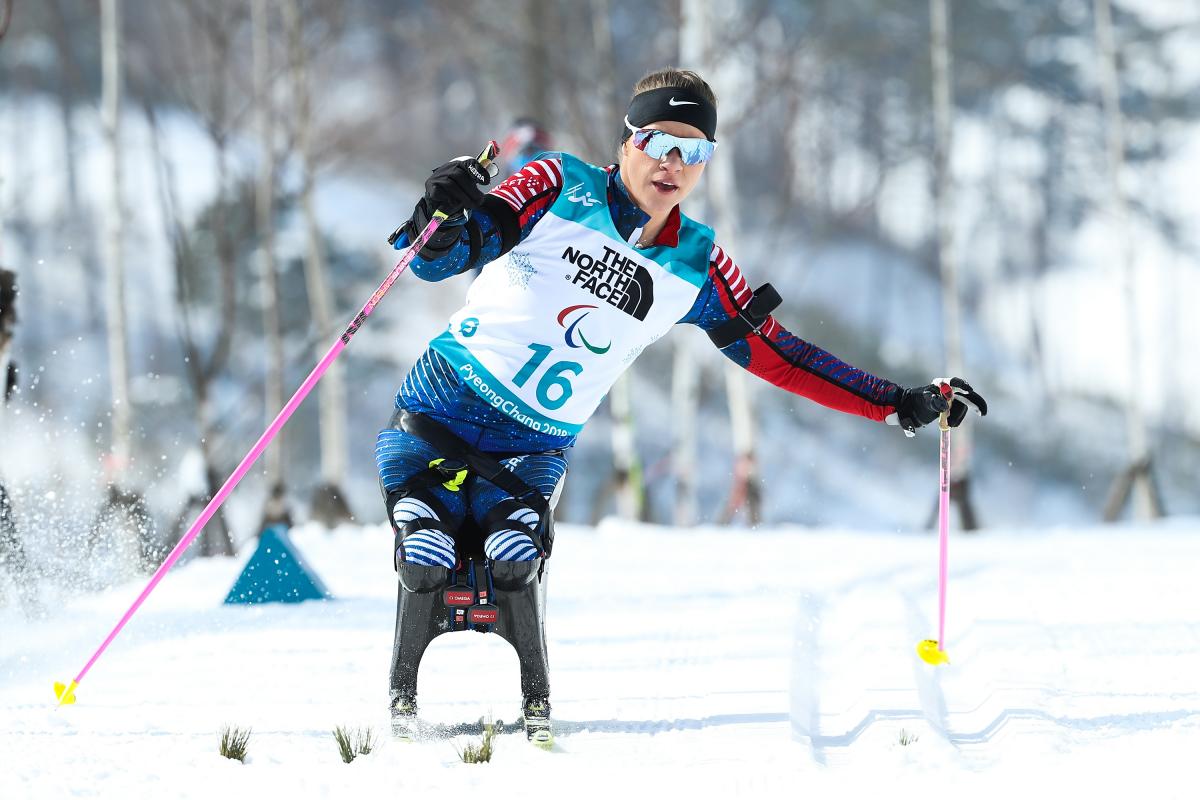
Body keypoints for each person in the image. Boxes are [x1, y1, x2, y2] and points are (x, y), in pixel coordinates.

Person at [377, 68, 987, 744]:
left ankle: (497, 600)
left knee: (516, 558)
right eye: (659, 141)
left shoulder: (698, 264)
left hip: (529, 453)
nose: (673, 163)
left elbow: (780, 356)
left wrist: (896, 402)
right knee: (426, 552)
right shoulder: (555, 184)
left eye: (693, 150)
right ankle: (419, 528)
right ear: (627, 140)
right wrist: (444, 210)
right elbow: (440, 258)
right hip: (440, 410)